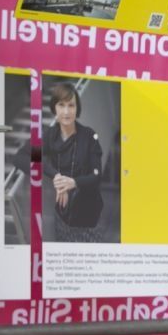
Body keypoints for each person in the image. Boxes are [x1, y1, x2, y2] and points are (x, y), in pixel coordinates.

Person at [40, 80, 104, 241]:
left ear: (77, 108)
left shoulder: (89, 136)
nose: (66, 111)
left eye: (71, 105)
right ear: (54, 108)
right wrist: (56, 176)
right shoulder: (50, 135)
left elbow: (97, 176)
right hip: (62, 214)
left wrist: (73, 182)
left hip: (88, 215)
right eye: (61, 105)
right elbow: (25, 156)